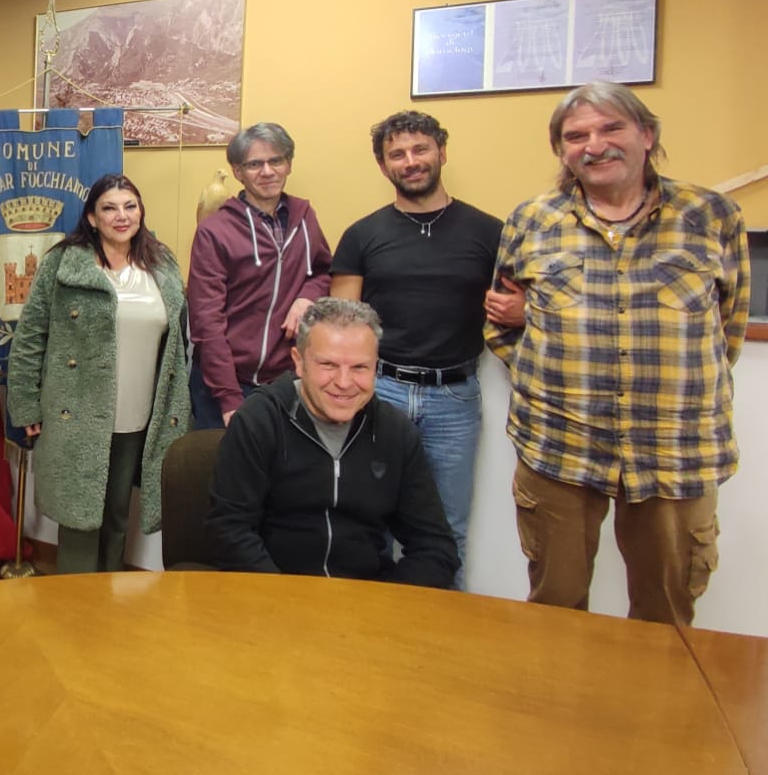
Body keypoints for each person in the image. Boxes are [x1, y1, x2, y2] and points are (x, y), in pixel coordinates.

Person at [485, 82, 747, 625]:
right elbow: (503, 325)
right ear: (561, 150)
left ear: (646, 135)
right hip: (559, 445)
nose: (594, 145)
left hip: (674, 451)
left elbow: (728, 330)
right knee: (555, 608)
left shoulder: (711, 215)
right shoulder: (531, 220)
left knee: (666, 617)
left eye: (611, 128)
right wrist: (551, 352)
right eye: (576, 135)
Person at [330, 111, 502, 588]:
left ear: (441, 152)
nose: (410, 161)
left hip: (454, 398)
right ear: (383, 166)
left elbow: (514, 307)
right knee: (369, 524)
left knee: (446, 530)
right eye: (397, 154)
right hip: (379, 393)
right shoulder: (362, 235)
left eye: (420, 149)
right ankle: (372, 622)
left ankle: (443, 625)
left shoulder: (490, 232)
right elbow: (343, 326)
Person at [6, 174, 191, 573]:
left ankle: (110, 596)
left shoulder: (161, 264)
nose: (121, 216)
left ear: (140, 212)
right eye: (109, 208)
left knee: (118, 514)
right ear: (92, 217)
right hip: (77, 414)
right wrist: (26, 405)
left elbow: (178, 342)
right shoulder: (63, 263)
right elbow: (30, 336)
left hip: (138, 415)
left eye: (130, 206)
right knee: (80, 519)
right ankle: (75, 602)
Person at [206, 298, 458, 588]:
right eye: (328, 364)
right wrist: (283, 600)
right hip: (273, 592)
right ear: (299, 362)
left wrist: (384, 604)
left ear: (375, 367)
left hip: (363, 598)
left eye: (360, 367)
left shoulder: (396, 432)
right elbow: (230, 532)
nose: (344, 382)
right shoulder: (259, 420)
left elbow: (436, 549)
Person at [187, 123, 332, 430]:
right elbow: (206, 321)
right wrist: (229, 398)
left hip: (287, 382)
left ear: (288, 164)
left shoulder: (305, 218)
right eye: (254, 164)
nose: (267, 172)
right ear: (238, 171)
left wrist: (307, 297)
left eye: (275, 161)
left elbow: (322, 272)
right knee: (221, 461)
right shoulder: (215, 231)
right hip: (226, 385)